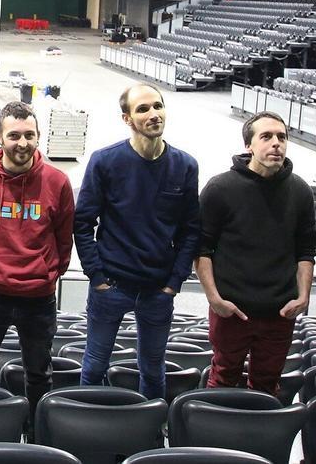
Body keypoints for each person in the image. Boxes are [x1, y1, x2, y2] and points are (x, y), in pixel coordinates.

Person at [74, 83, 200, 399]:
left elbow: (191, 230)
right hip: (112, 285)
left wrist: (174, 281)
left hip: (158, 289)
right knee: (93, 367)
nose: (153, 114)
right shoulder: (105, 162)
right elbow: (82, 222)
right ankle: (91, 432)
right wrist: (97, 276)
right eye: (143, 109)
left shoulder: (185, 166)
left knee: (154, 371)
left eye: (158, 106)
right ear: (127, 119)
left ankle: (149, 435)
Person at [0, 101, 74, 416]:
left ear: (38, 138)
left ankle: (36, 436)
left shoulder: (57, 181)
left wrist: (51, 273)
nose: (22, 143)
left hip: (38, 296)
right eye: (14, 135)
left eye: (29, 135)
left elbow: (65, 236)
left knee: (38, 375)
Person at [195, 111, 316, 395]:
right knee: (223, 377)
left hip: (279, 312)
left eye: (282, 137)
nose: (276, 143)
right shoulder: (220, 188)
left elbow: (306, 250)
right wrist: (215, 299)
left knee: (267, 383)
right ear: (249, 145)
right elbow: (202, 248)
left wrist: (303, 297)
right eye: (267, 137)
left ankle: (256, 438)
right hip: (232, 311)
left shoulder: (300, 191)